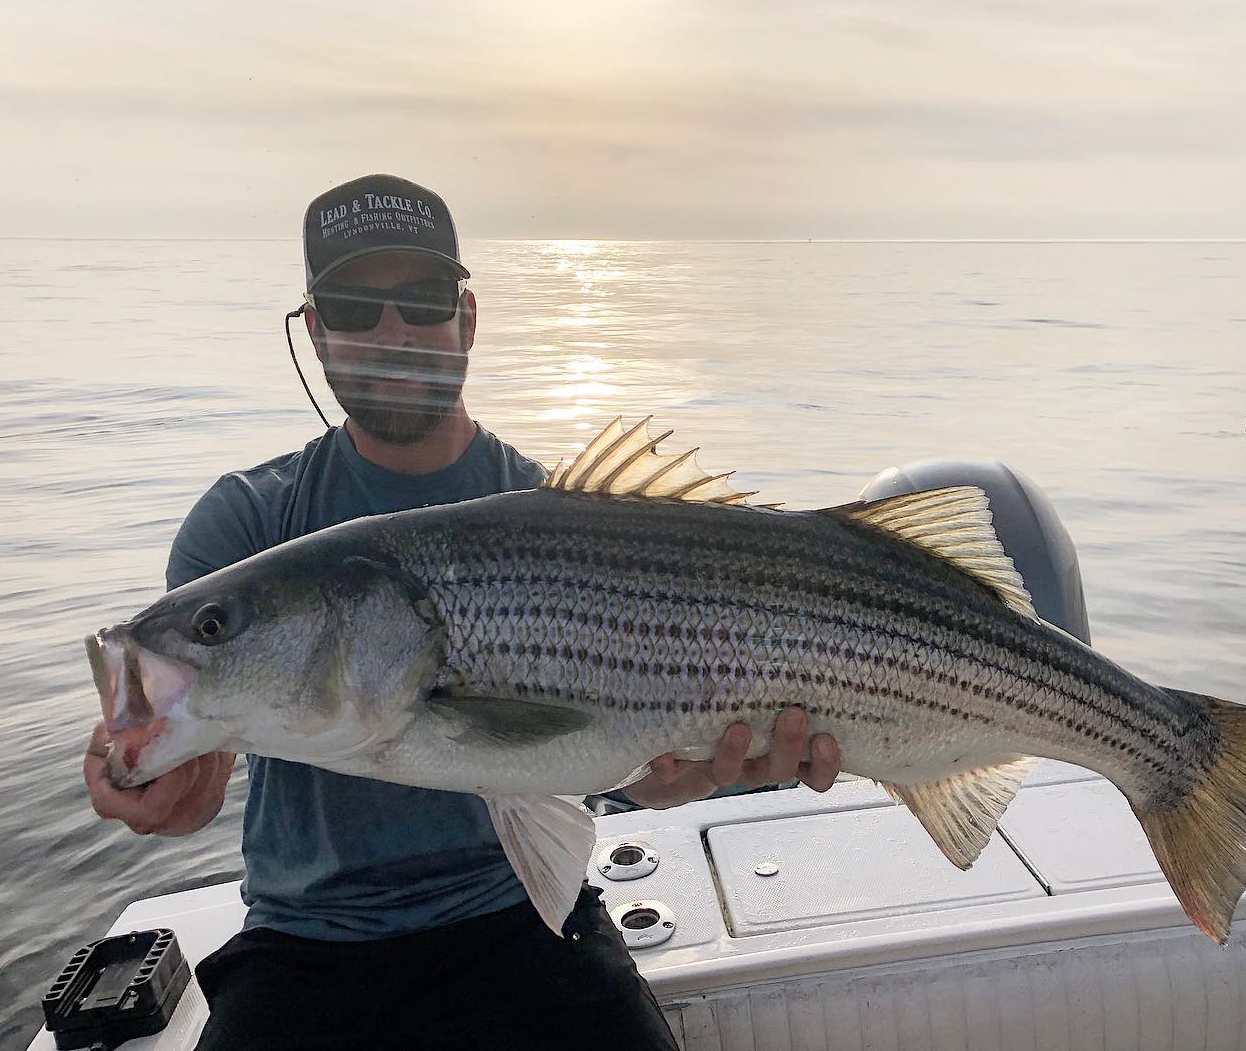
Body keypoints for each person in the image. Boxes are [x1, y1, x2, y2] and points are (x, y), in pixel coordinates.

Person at [82, 174, 843, 1050]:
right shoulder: (249, 525)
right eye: (355, 307)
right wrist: (147, 773)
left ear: (467, 319)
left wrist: (697, 768)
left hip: (524, 917)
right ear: (316, 332)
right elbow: (192, 791)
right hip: (309, 943)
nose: (394, 332)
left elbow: (625, 771)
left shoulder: (560, 516)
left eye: (422, 300)